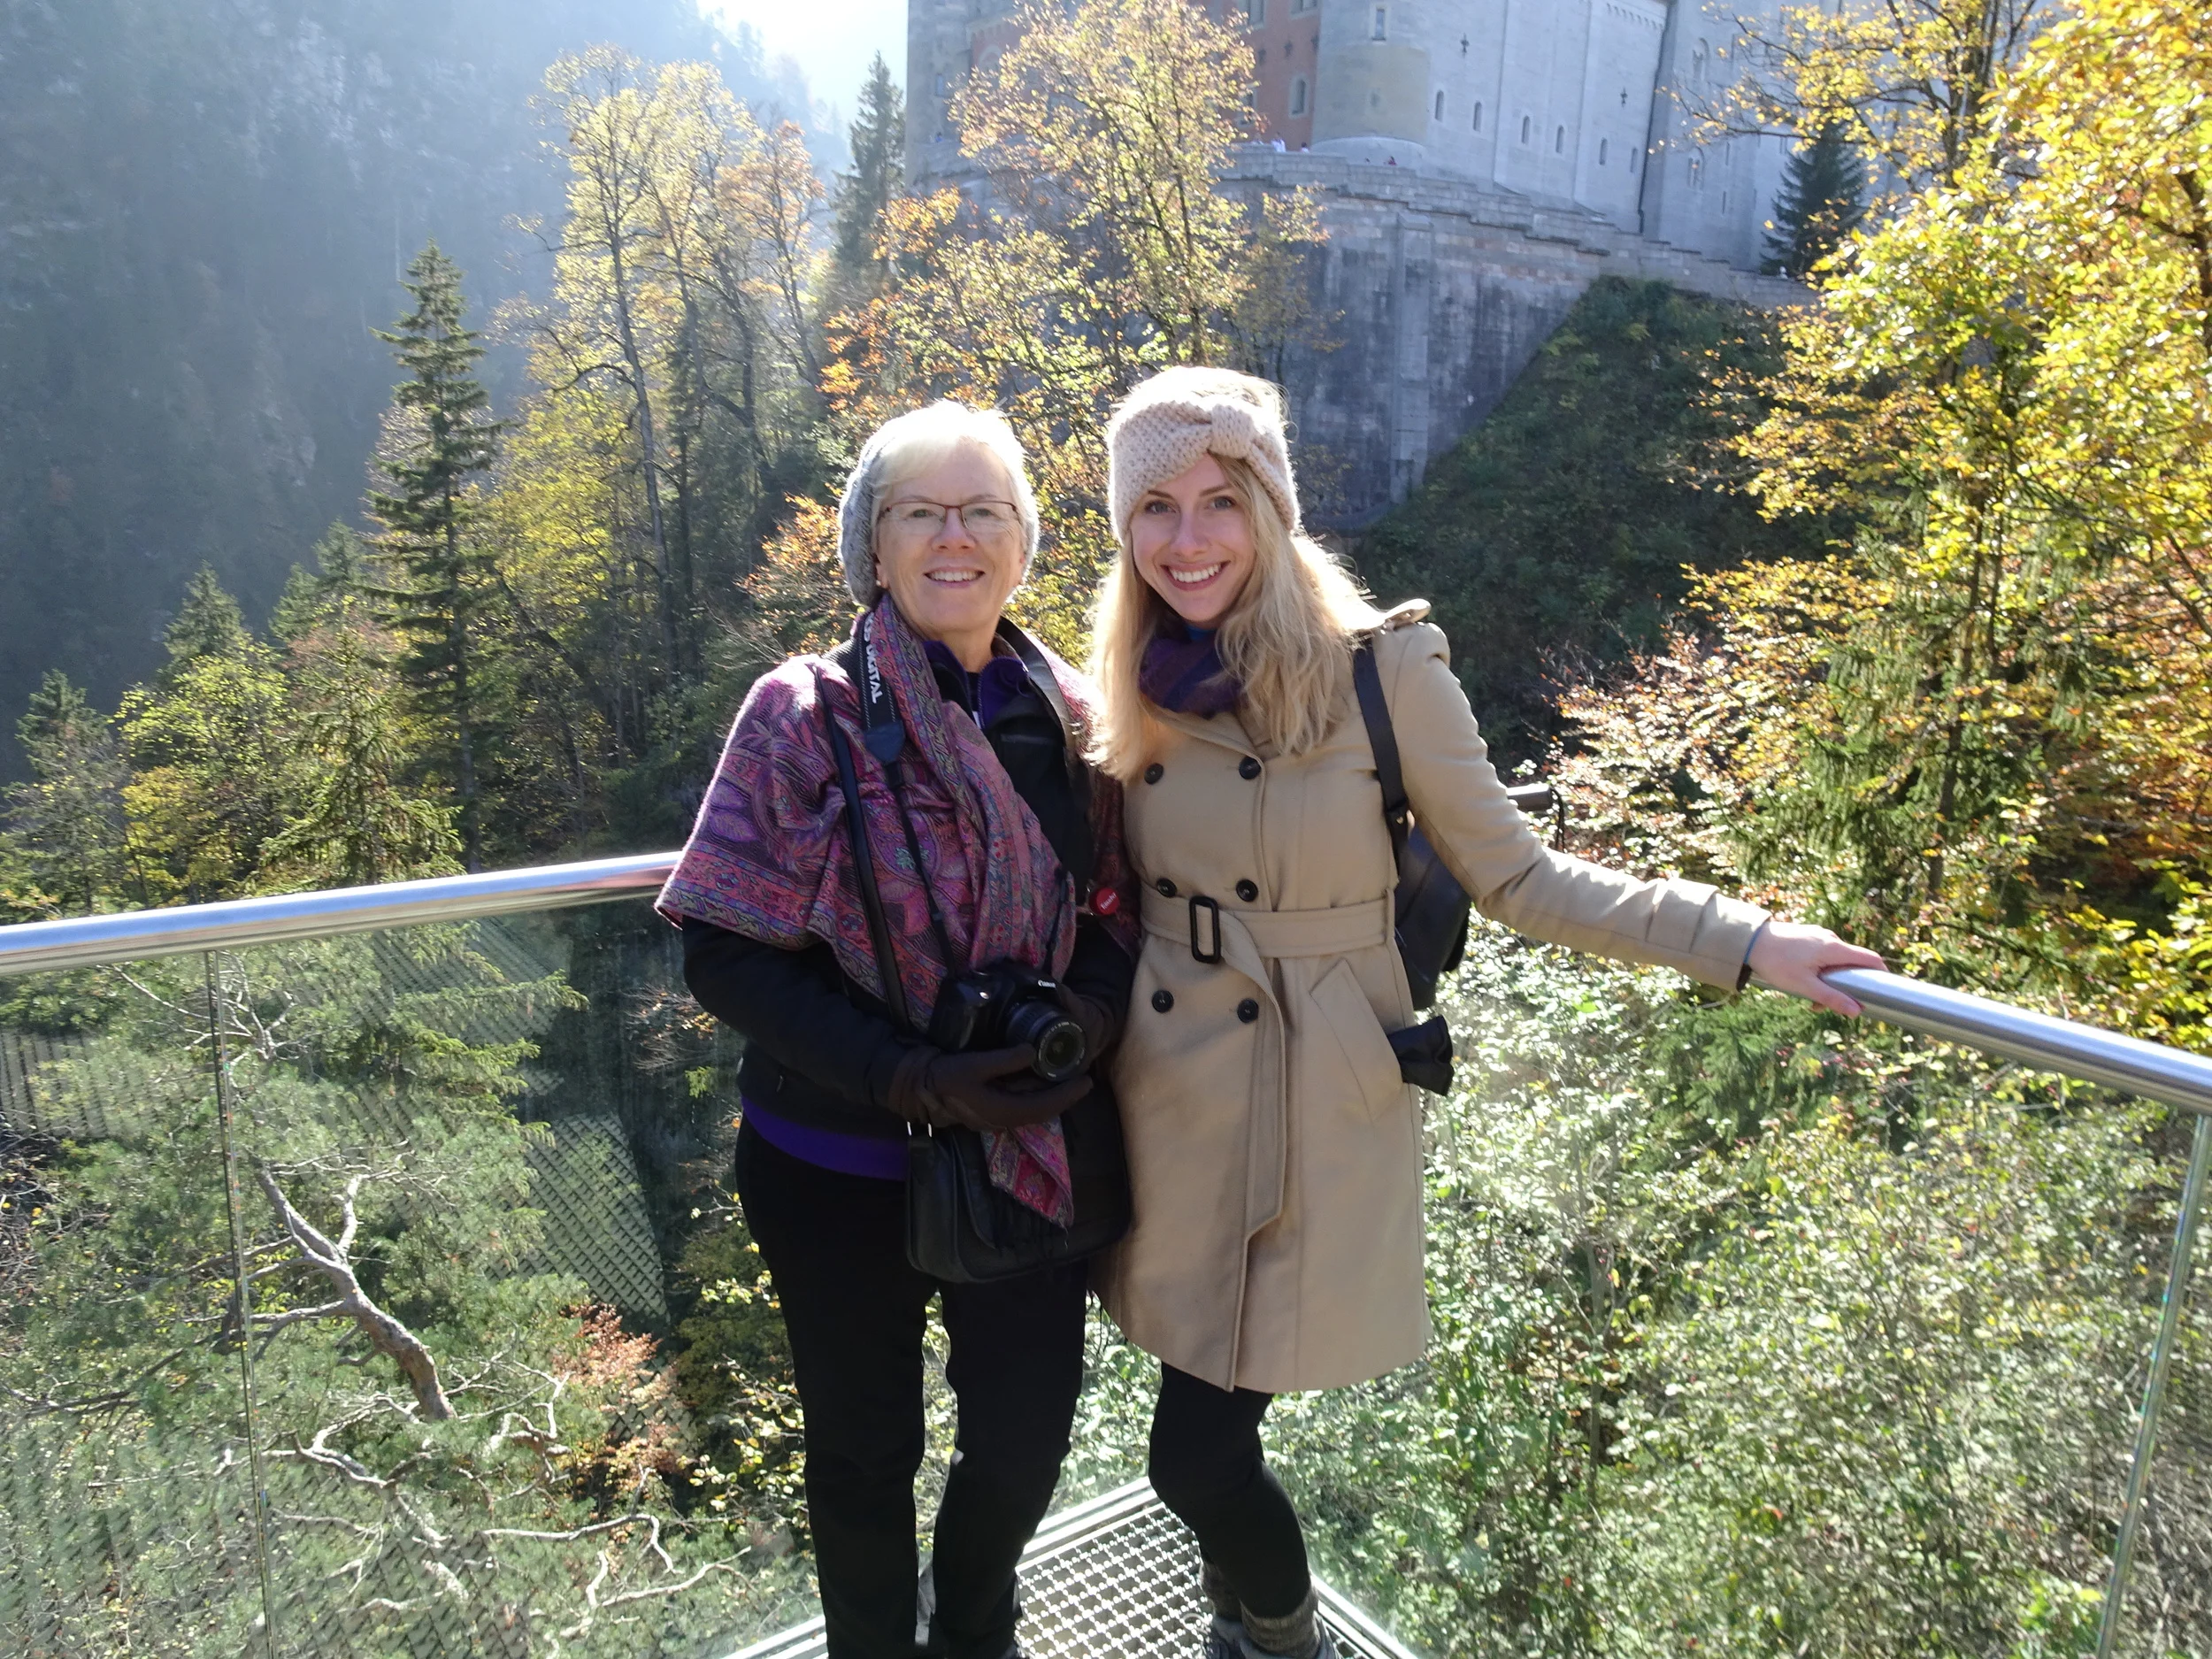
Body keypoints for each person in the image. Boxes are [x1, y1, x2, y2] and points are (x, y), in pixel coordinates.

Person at [1084, 366, 1884, 1659]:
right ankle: (1239, 1611)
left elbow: (1521, 875)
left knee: (1192, 1455)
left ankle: (1280, 1638)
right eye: (1156, 507)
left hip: (1311, 1102)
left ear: (1272, 508)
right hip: (1168, 1095)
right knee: (1207, 1426)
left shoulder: (1381, 671)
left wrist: (1737, 938)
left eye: (1219, 500)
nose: (1188, 540)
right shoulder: (1124, 683)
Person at [657, 402, 1139, 1659]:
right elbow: (720, 942)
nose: (954, 536)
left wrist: (1081, 1016)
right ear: (872, 547)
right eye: (920, 511)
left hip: (1026, 1149)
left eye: (985, 510)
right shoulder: (801, 712)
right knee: (865, 1448)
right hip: (836, 1164)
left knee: (1027, 1433)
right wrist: (909, 1072)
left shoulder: (1081, 722)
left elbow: (1118, 913)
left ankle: (974, 1627)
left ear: (1025, 543)